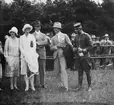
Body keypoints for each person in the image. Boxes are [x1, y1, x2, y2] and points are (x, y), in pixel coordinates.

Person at [50, 22, 72, 91]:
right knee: (57, 71)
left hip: (63, 55)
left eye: (56, 28)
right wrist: (56, 46)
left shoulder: (65, 35)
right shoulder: (53, 38)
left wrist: (64, 46)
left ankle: (66, 87)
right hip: (56, 55)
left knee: (63, 70)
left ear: (59, 28)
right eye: (54, 28)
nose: (55, 29)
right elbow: (51, 48)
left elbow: (70, 44)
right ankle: (60, 86)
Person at [73, 22, 92, 92]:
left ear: (80, 28)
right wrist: (74, 48)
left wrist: (83, 50)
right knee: (79, 72)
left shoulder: (86, 36)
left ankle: (89, 86)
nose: (75, 31)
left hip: (86, 57)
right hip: (78, 57)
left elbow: (91, 46)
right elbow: (74, 45)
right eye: (75, 29)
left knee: (88, 72)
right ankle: (80, 86)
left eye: (76, 29)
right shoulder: (76, 37)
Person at [20, 24, 39, 91]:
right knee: (25, 71)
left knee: (32, 70)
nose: (27, 30)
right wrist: (24, 54)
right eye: (26, 29)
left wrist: (30, 54)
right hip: (24, 56)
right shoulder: (21, 37)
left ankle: (32, 85)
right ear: (24, 29)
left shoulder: (32, 36)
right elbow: (21, 47)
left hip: (31, 56)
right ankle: (27, 86)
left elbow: (33, 46)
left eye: (28, 29)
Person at [33, 21, 47, 88]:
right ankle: (35, 84)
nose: (37, 27)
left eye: (38, 26)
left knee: (42, 69)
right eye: (36, 26)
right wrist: (36, 44)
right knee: (34, 69)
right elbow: (31, 44)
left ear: (40, 27)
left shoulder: (43, 35)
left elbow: (46, 42)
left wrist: (38, 43)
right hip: (34, 54)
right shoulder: (31, 35)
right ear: (34, 27)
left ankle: (42, 83)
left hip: (42, 53)